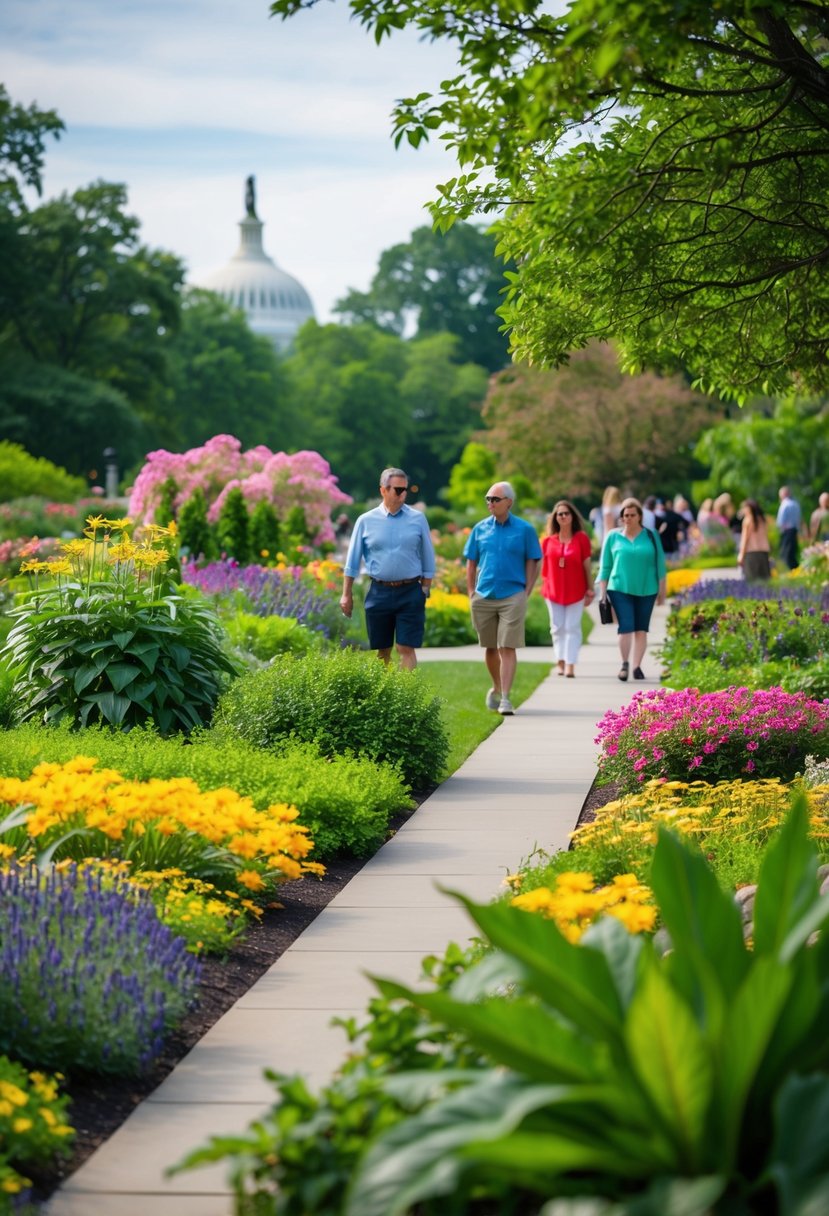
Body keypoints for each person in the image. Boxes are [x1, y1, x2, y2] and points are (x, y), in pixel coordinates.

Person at [340, 467, 435, 670]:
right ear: (383, 490)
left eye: (405, 490)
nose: (403, 495)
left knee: (405, 647)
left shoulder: (417, 519)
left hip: (410, 591)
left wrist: (425, 588)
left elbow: (428, 556)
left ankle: (405, 697)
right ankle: (387, 697)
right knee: (382, 652)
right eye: (397, 490)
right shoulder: (365, 521)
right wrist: (346, 594)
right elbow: (352, 561)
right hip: (379, 592)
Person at [463, 482, 542, 715]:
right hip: (484, 594)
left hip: (513, 594)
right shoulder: (479, 529)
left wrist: (526, 590)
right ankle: (496, 687)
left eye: (495, 499)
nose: (490, 503)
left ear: (509, 502)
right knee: (490, 647)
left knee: (507, 646)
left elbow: (533, 559)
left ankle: (506, 698)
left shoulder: (525, 529)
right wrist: (471, 591)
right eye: (488, 499)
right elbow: (471, 561)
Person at [597, 497, 667, 682]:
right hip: (619, 587)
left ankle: (637, 666)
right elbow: (605, 566)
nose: (628, 518)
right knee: (626, 626)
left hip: (647, 588)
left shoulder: (651, 535)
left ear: (639, 516)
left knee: (641, 628)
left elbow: (660, 564)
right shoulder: (613, 536)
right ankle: (624, 664)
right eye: (625, 515)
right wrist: (603, 593)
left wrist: (663, 591)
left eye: (632, 515)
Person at [540, 500, 594, 678]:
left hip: (576, 590)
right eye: (559, 514)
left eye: (566, 513)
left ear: (572, 516)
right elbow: (544, 570)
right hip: (553, 591)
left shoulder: (581, 539)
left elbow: (587, 565)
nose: (563, 516)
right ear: (555, 518)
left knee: (572, 627)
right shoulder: (548, 541)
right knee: (556, 627)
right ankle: (560, 661)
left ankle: (570, 663)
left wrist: (590, 588)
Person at [737, 499, 772, 581]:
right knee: (765, 581)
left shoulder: (748, 520)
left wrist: (741, 554)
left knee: (752, 580)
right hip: (764, 552)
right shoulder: (762, 520)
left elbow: (745, 539)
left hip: (751, 553)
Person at [776, 485, 802, 570]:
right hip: (794, 530)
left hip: (786, 531)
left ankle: (792, 570)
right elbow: (799, 519)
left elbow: (780, 521)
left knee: (786, 553)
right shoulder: (795, 504)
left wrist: (780, 530)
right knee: (792, 552)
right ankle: (796, 570)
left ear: (783, 494)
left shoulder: (784, 505)